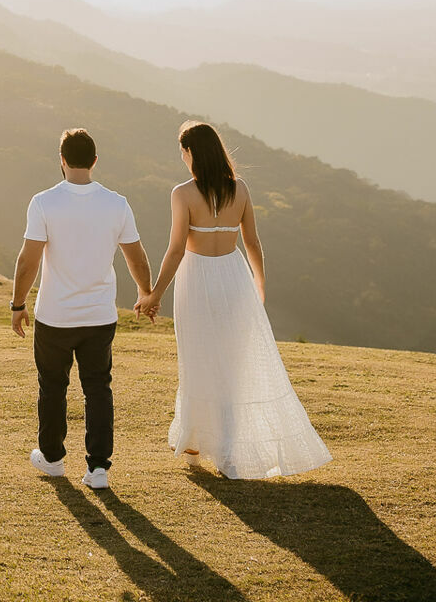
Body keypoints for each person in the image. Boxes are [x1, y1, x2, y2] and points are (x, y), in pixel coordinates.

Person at [136, 120, 331, 479]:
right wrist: (259, 283)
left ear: (190, 152)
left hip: (196, 279)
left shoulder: (182, 193)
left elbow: (176, 249)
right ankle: (223, 449)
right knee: (230, 365)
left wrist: (154, 294)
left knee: (197, 360)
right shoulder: (239, 188)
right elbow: (252, 241)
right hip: (234, 276)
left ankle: (197, 443)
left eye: (182, 151)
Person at [10, 127, 155, 489]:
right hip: (99, 315)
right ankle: (98, 469)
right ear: (94, 161)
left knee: (52, 387)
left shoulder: (43, 202)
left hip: (54, 316)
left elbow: (28, 260)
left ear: (61, 160)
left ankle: (52, 459)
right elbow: (136, 257)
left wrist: (18, 304)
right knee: (98, 389)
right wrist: (145, 293)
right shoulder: (117, 203)